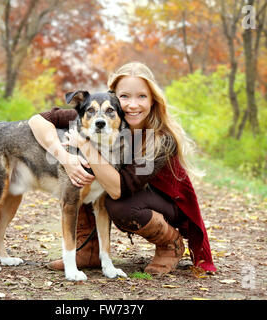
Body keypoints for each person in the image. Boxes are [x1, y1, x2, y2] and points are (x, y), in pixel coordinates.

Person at [28, 62, 216, 274]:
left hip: (165, 204)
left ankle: (170, 244)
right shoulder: (99, 116)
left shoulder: (160, 140)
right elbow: (38, 120)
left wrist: (85, 146)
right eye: (125, 96)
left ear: (153, 99)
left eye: (142, 97)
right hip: (128, 191)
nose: (132, 105)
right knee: (82, 177)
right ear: (113, 96)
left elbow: (118, 189)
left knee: (115, 203)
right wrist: (64, 157)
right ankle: (89, 249)